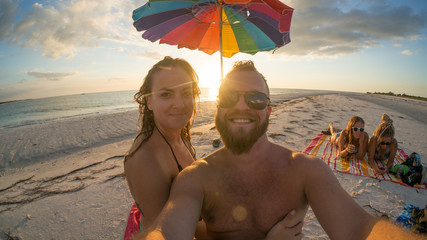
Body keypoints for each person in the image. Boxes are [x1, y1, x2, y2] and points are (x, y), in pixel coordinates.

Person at [137, 60, 424, 240]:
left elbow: (360, 229)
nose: (241, 106)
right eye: (229, 96)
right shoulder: (195, 178)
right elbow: (167, 230)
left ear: (270, 111)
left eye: (256, 99)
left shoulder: (306, 170)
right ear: (218, 106)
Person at [124, 57, 303, 240]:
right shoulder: (144, 160)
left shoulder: (178, 135)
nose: (179, 104)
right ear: (149, 101)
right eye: (166, 94)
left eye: (186, 93)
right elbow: (171, 232)